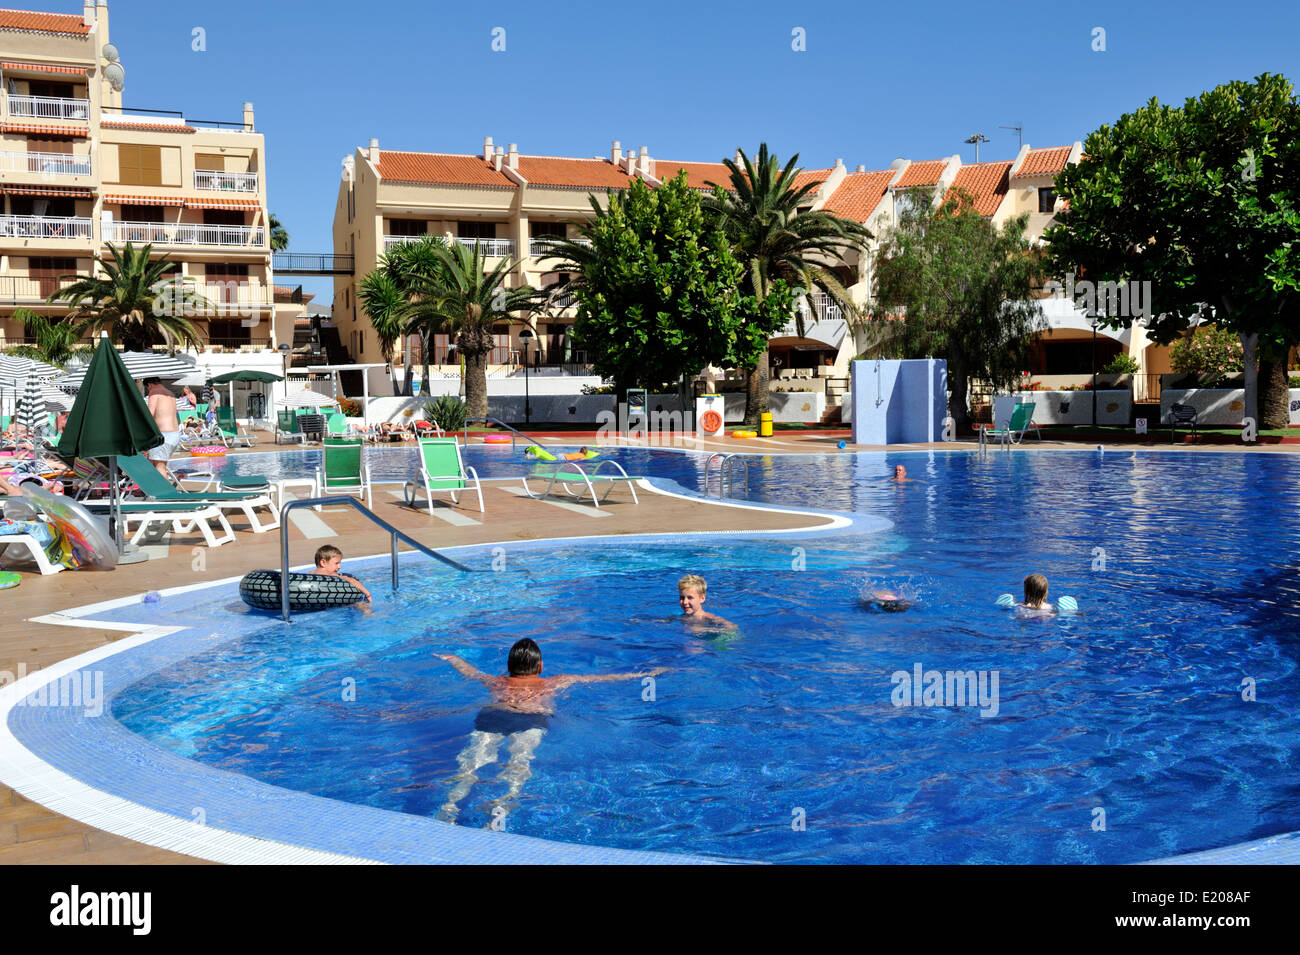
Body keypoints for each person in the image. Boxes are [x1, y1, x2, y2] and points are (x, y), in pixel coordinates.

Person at [434, 638, 666, 823]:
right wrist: (643, 675)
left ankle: (449, 806)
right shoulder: (553, 682)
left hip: (492, 716)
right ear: (541, 666)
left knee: (472, 763)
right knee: (518, 763)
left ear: (509, 666)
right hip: (530, 720)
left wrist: (452, 658)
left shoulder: (496, 681)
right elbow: (602, 678)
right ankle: (504, 803)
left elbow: (470, 672)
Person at [143, 378, 182, 478]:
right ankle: (151, 489)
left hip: (164, 435)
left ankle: (163, 493)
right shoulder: (170, 393)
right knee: (152, 464)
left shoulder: (154, 393)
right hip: (174, 434)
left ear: (149, 385)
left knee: (160, 467)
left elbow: (149, 415)